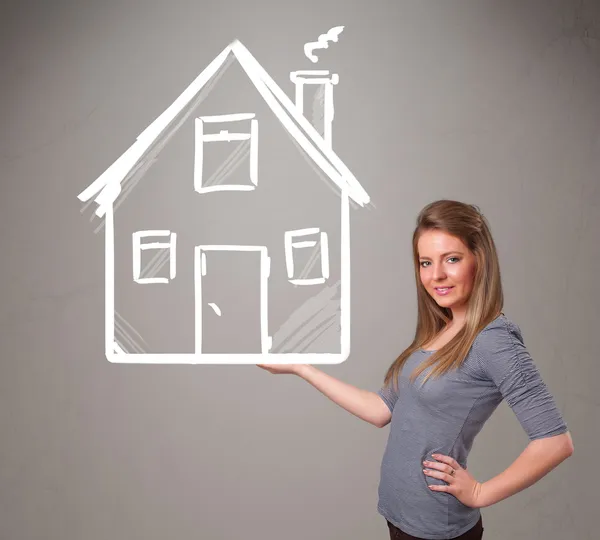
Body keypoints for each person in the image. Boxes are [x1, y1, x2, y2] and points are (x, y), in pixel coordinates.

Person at [257, 199, 573, 540]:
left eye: (452, 259)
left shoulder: (494, 341)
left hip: (436, 527)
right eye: (426, 262)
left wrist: (481, 492)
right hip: (401, 515)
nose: (436, 275)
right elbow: (381, 409)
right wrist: (302, 369)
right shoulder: (444, 328)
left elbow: (555, 441)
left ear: (479, 259)